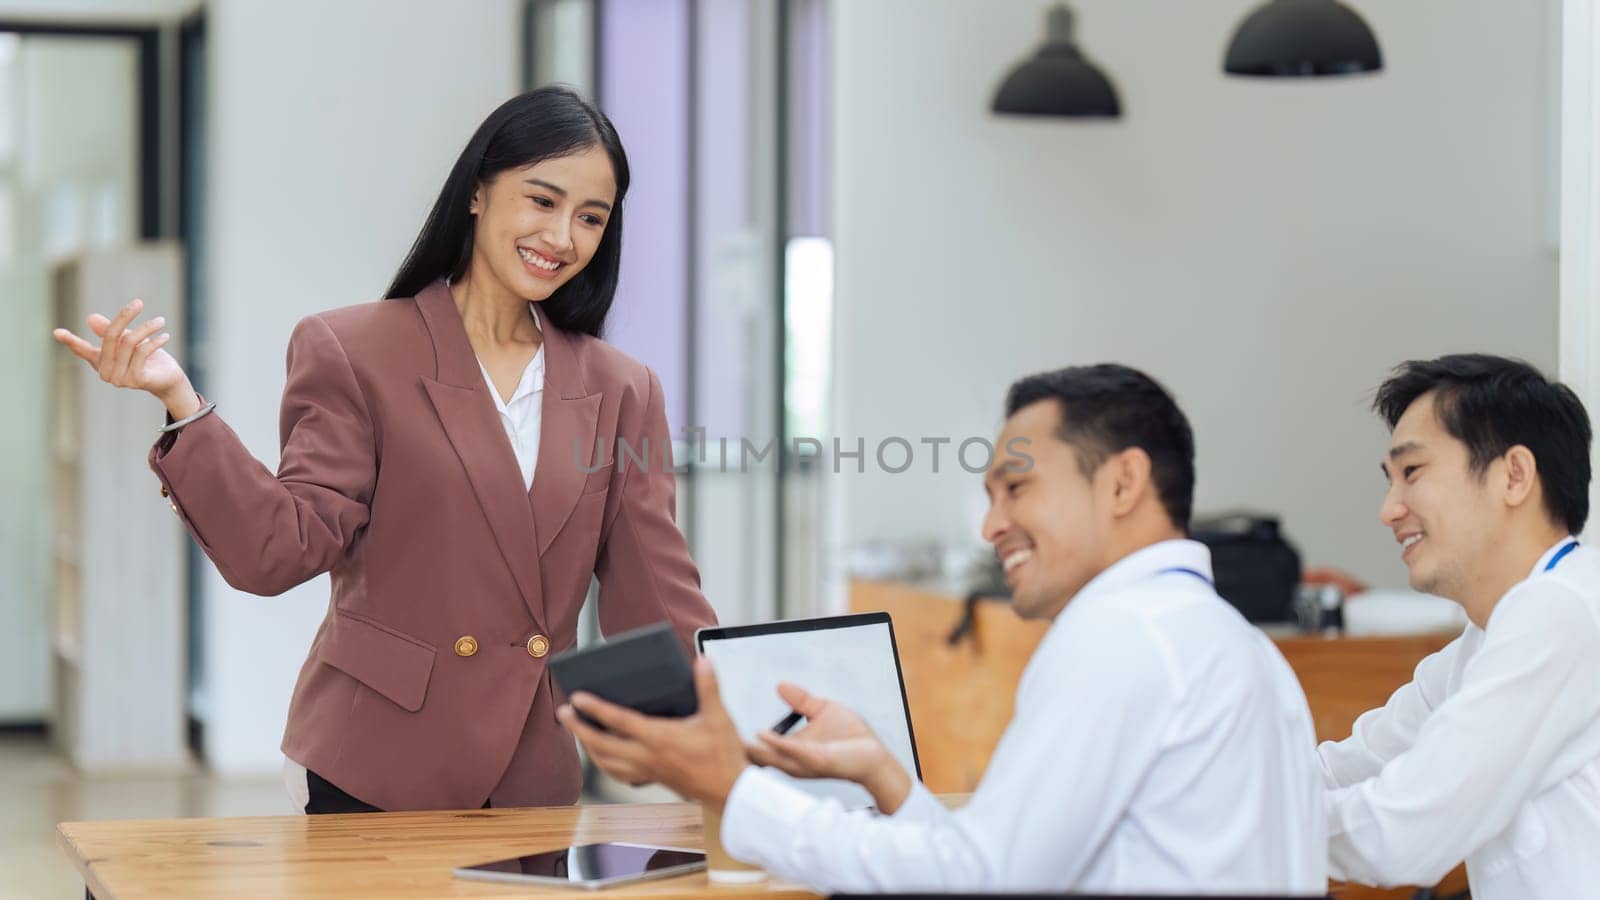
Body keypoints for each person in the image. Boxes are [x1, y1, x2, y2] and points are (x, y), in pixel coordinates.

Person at [50, 86, 716, 814]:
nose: (562, 236)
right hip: (372, 761)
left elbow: (657, 594)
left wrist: (730, 735)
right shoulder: (354, 350)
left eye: (591, 217)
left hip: (532, 774)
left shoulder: (622, 389)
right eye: (540, 200)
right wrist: (182, 402)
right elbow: (281, 547)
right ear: (477, 193)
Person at [558, 364, 1326, 895]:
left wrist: (734, 787)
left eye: (1016, 487)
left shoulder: (1122, 640)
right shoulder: (1234, 645)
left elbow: (980, 881)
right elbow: (1008, 866)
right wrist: (884, 775)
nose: (994, 525)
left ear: (1123, 481)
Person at [1319, 354, 1600, 899]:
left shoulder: (1561, 612)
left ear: (1514, 475)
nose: (1389, 510)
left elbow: (1408, 831)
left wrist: (1250, 822)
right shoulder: (1485, 638)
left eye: (1413, 473)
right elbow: (1351, 766)